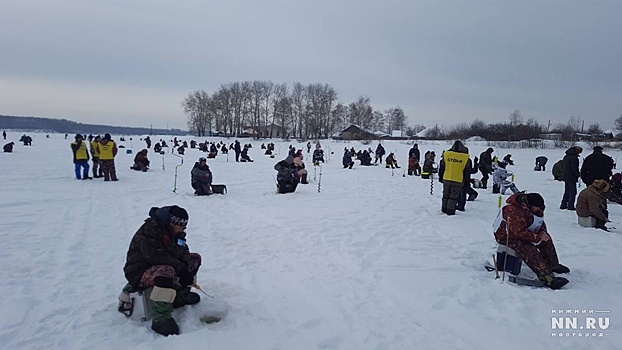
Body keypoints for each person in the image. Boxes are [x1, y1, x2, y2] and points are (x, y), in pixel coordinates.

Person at [117, 206, 201, 336]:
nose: (184, 229)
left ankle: (179, 297)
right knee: (166, 271)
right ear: (173, 222)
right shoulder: (150, 230)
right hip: (139, 271)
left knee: (194, 259)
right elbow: (155, 257)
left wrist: (186, 269)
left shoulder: (174, 232)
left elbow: (183, 250)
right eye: (182, 225)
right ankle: (160, 318)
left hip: (163, 265)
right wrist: (181, 268)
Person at [493, 192, 570, 290]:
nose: (539, 210)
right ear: (530, 205)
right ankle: (547, 277)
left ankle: (552, 264)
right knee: (528, 249)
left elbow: (539, 221)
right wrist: (537, 237)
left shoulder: (534, 208)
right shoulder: (512, 210)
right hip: (507, 236)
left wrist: (542, 232)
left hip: (524, 232)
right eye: (537, 207)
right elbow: (518, 232)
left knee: (546, 240)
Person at [438, 141, 469, 215]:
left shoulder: (447, 154)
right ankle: (450, 210)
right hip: (458, 179)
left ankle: (444, 208)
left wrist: (440, 176)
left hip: (446, 177)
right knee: (453, 196)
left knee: (445, 194)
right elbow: (467, 171)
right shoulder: (465, 157)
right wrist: (466, 181)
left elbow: (442, 167)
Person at [560, 146, 582, 210]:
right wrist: (578, 174)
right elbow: (574, 168)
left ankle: (563, 204)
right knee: (573, 192)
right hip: (571, 177)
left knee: (567, 191)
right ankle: (570, 205)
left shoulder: (566, 156)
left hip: (565, 176)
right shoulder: (574, 158)